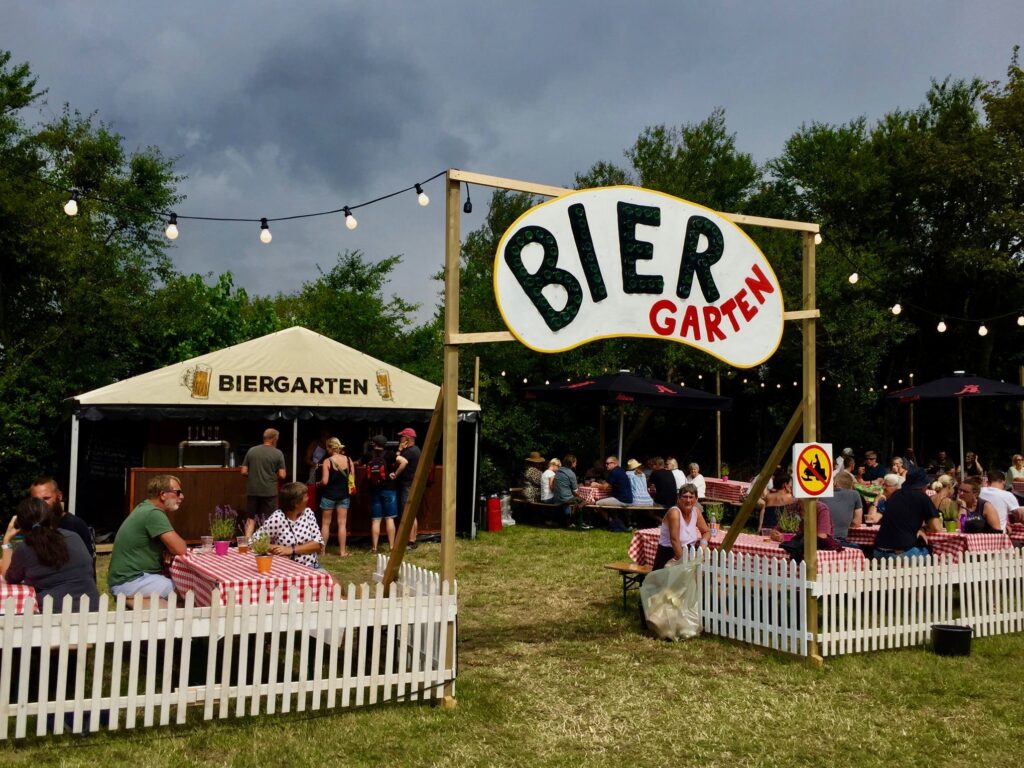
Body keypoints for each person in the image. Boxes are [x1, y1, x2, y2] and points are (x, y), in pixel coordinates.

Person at [1, 497, 99, 610]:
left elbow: (9, 578)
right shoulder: (74, 537)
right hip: (93, 611)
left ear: (20, 524)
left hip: (52, 617)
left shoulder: (25, 549)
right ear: (50, 517)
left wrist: (7, 540)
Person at [107, 474, 188, 600]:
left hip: (129, 578)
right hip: (131, 581)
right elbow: (180, 549)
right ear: (163, 495)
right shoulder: (153, 514)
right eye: (177, 493)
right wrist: (171, 548)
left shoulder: (145, 507)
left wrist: (166, 549)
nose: (181, 497)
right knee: (185, 591)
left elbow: (171, 547)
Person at [29, 477, 95, 577]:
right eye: (36, 500)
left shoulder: (71, 525)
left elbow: (79, 566)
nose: (41, 504)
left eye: (46, 498)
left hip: (74, 586)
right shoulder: (38, 525)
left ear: (59, 496)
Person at [253, 481, 325, 569]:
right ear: (296, 503)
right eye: (305, 496)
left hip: (311, 566)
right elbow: (254, 542)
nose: (308, 498)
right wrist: (274, 548)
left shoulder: (308, 513)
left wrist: (291, 550)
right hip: (287, 569)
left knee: (333, 582)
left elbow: (318, 544)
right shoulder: (278, 518)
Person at [874, 468, 942, 558]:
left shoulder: (894, 495)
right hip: (901, 554)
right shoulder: (922, 497)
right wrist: (923, 530)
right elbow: (937, 528)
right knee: (935, 557)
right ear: (923, 485)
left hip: (878, 552)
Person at [240, 428, 287, 539]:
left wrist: (253, 476)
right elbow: (282, 475)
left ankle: (247, 543)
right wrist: (271, 475)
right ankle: (266, 544)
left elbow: (243, 471)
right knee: (269, 519)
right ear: (274, 439)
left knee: (250, 519)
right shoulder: (278, 453)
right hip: (269, 491)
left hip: (253, 490)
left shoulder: (252, 451)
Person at [652, 484, 710, 570]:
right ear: (678, 498)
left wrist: (703, 545)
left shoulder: (696, 512)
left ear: (696, 499)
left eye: (691, 497)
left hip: (690, 552)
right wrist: (684, 563)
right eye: (685, 497)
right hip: (669, 555)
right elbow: (674, 540)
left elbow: (706, 532)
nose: (688, 500)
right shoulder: (674, 512)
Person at [319, 437, 353, 557]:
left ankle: (322, 551)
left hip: (329, 495)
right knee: (342, 524)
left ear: (330, 447)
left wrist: (318, 483)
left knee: (325, 524)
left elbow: (325, 481)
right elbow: (351, 480)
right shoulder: (349, 460)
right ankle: (342, 551)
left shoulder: (328, 461)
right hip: (344, 495)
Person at [366, 435, 399, 554]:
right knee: (389, 518)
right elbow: (403, 462)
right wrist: (395, 473)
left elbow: (358, 462)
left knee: (376, 520)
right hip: (389, 489)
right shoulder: (391, 454)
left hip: (374, 490)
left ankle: (374, 548)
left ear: (374, 444)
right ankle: (391, 547)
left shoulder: (369, 455)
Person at [394, 427, 419, 549]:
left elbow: (400, 462)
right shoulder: (416, 450)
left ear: (407, 439)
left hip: (407, 485)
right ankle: (412, 540)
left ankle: (411, 540)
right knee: (411, 513)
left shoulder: (409, 452)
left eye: (402, 437)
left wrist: (399, 450)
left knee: (407, 512)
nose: (400, 439)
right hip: (412, 484)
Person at [823, 471, 863, 544]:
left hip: (819, 539)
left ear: (834, 483)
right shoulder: (855, 494)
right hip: (839, 540)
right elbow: (857, 523)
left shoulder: (822, 494)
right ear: (851, 484)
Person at [552, 454, 587, 529]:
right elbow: (576, 491)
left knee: (574, 501)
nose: (576, 463)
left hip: (556, 498)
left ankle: (570, 520)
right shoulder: (571, 473)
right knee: (584, 501)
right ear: (572, 463)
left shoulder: (558, 471)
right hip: (565, 499)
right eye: (575, 462)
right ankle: (578, 521)